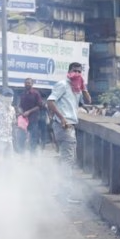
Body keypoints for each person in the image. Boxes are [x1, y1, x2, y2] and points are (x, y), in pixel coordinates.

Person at [47, 62, 92, 203]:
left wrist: (83, 87)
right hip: (64, 126)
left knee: (66, 160)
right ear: (69, 71)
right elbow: (50, 101)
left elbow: (88, 101)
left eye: (79, 71)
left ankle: (61, 192)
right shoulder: (62, 84)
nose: (77, 73)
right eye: (74, 71)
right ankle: (64, 195)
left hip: (70, 126)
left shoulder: (77, 87)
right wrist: (62, 118)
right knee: (68, 161)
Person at [16, 78, 43, 154]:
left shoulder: (36, 93)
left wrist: (29, 112)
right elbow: (20, 106)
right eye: (26, 83)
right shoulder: (22, 94)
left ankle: (32, 155)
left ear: (32, 84)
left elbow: (39, 106)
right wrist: (20, 111)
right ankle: (21, 153)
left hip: (33, 119)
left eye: (29, 83)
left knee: (33, 138)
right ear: (24, 84)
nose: (27, 84)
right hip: (23, 120)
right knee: (21, 136)